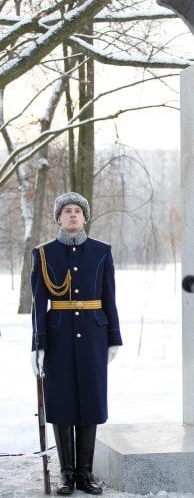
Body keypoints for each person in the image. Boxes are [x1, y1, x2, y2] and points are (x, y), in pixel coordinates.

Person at [30, 192, 122, 495]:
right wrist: (38, 344)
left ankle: (86, 473)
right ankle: (66, 474)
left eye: (77, 211)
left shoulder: (101, 251)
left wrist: (113, 338)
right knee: (62, 401)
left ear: (85, 217)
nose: (72, 215)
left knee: (91, 401)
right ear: (58, 218)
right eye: (66, 211)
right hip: (58, 337)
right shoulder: (43, 254)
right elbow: (38, 303)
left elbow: (109, 296)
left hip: (94, 336)